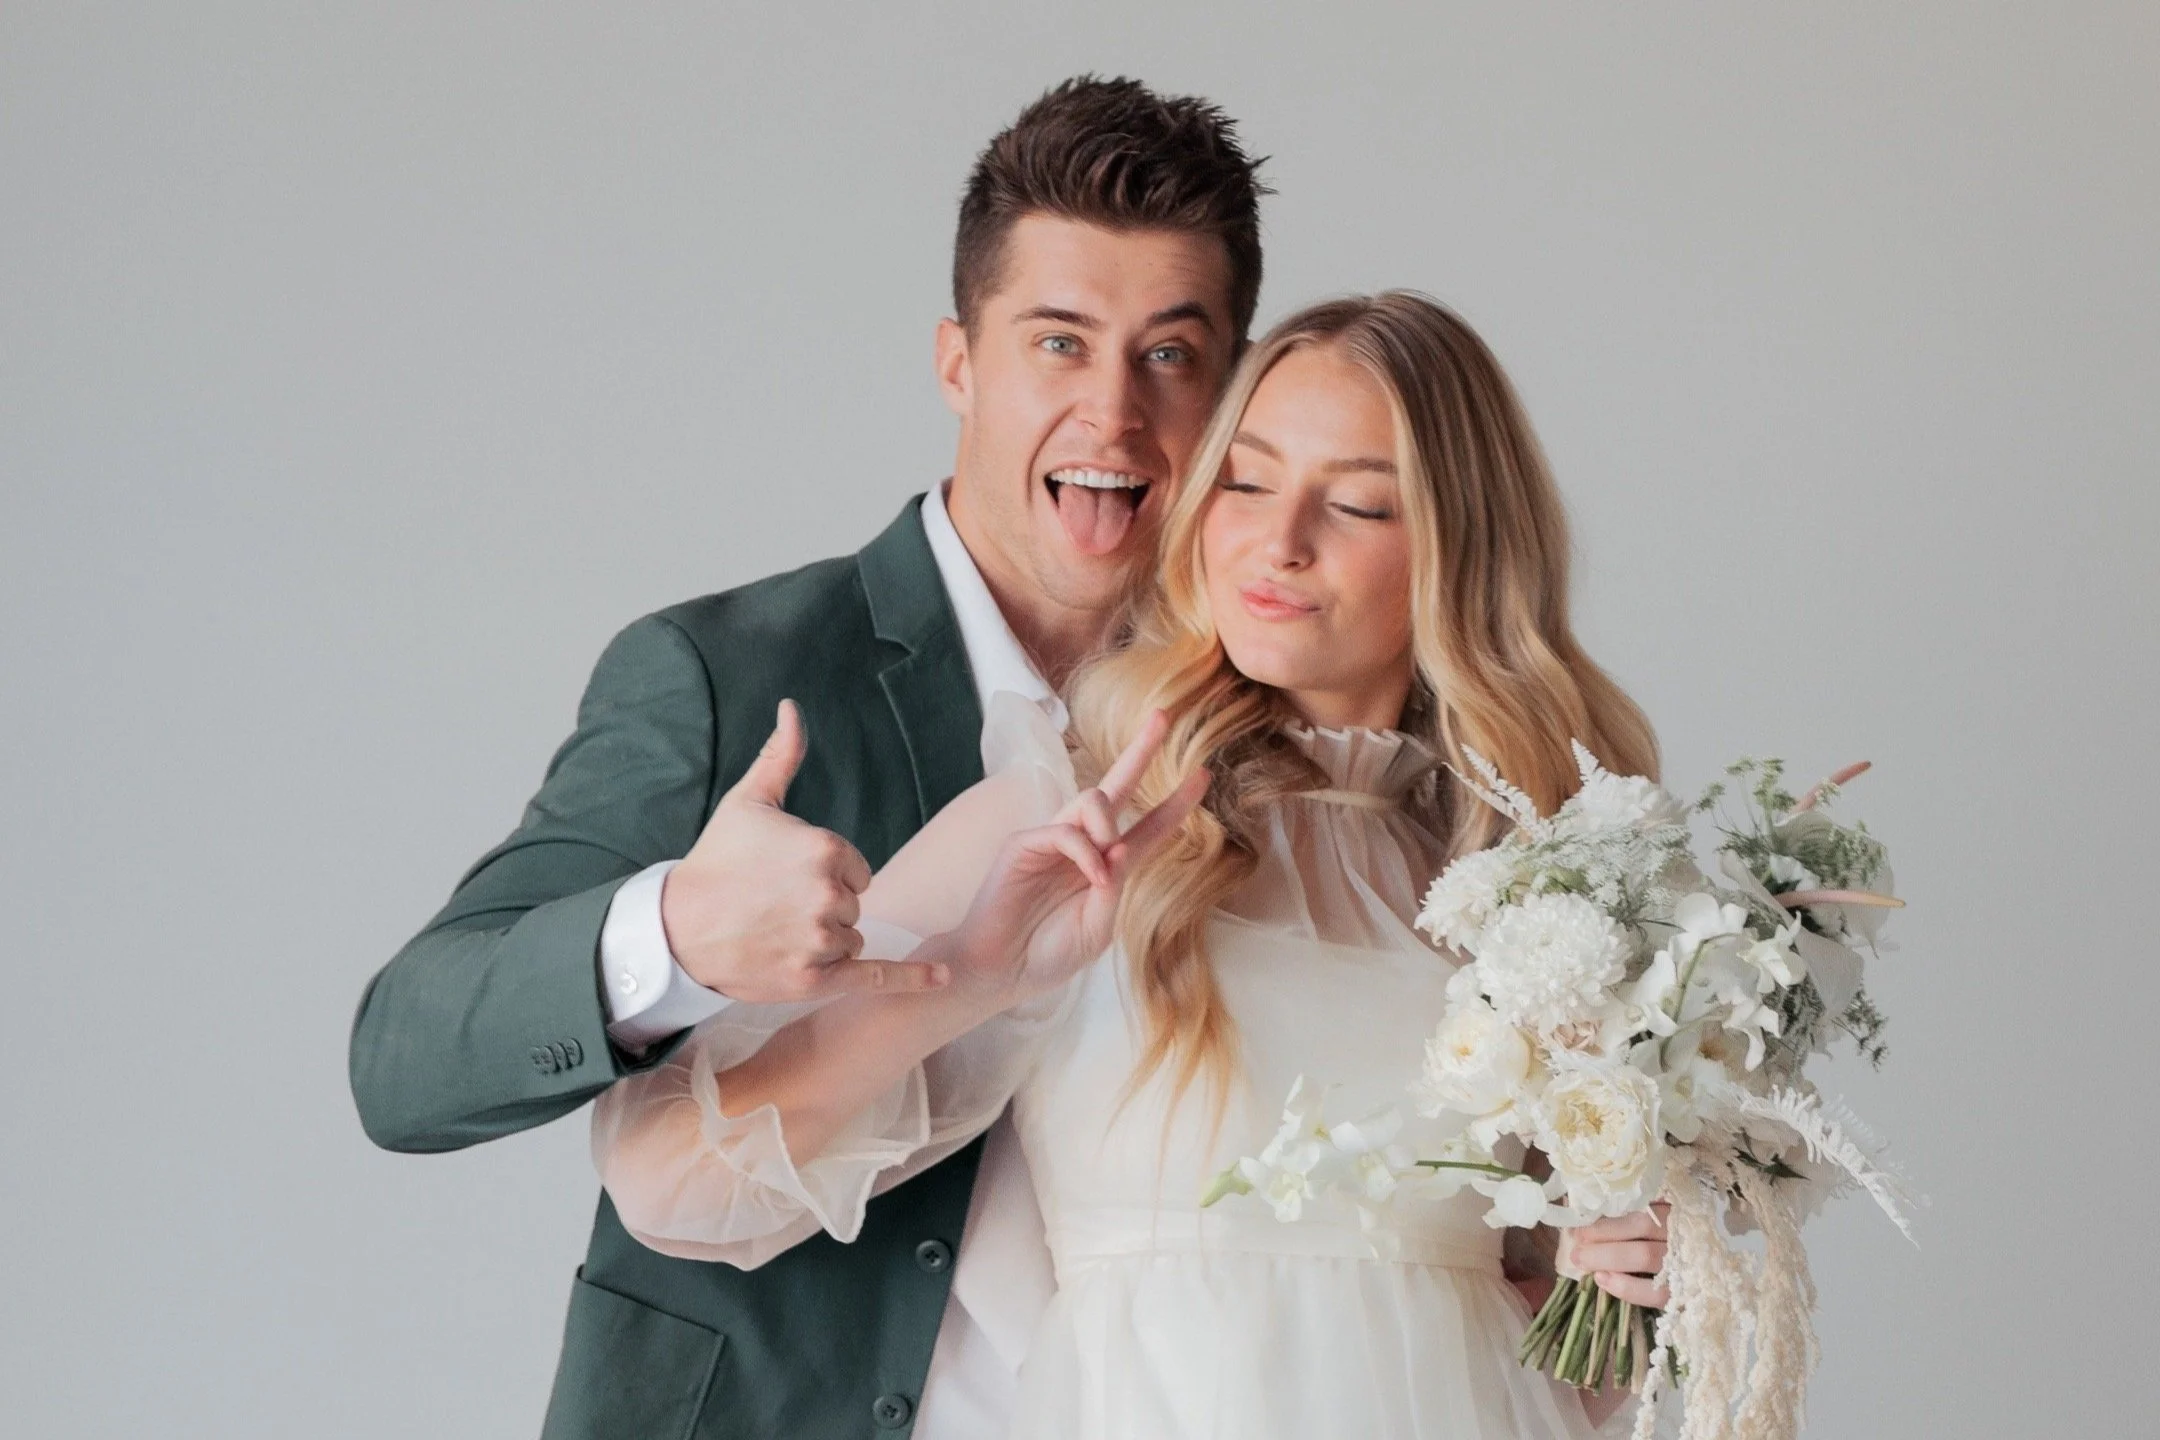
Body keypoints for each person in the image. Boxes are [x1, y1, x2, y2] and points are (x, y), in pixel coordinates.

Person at [348, 77, 1268, 1439]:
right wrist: (670, 936)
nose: (1116, 417)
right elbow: (403, 1062)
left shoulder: (1272, 733)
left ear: (1235, 388)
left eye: (1170, 356)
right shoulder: (729, 670)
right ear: (959, 361)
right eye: (1059, 345)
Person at [590, 292, 1674, 1438]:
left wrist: (1613, 1286)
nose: (1279, 540)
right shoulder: (1067, 805)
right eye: (1246, 482)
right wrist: (970, 974)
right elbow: (673, 1185)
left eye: (1356, 504)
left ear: (1463, 551)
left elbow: (1546, 1378)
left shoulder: (1543, 888)